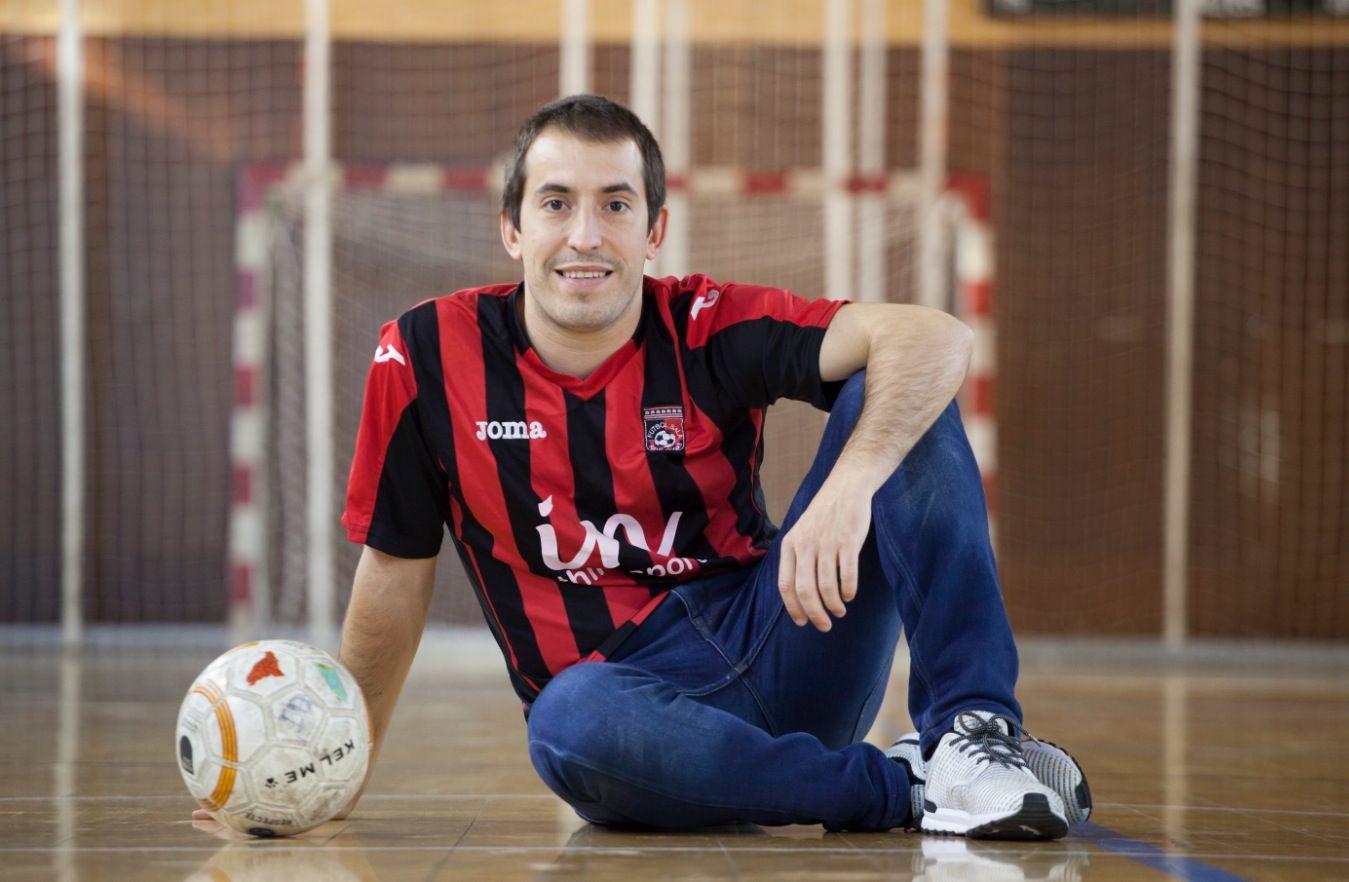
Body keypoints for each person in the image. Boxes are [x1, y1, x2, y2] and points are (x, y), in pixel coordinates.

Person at [335, 94, 1091, 838]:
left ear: (655, 229)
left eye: (616, 206)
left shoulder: (707, 324)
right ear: (511, 227)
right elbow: (394, 569)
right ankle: (903, 789)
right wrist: (341, 770)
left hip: (784, 637)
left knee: (897, 387)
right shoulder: (424, 356)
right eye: (557, 204)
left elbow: (936, 340)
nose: (586, 236)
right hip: (626, 711)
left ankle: (971, 735)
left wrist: (850, 487)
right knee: (568, 719)